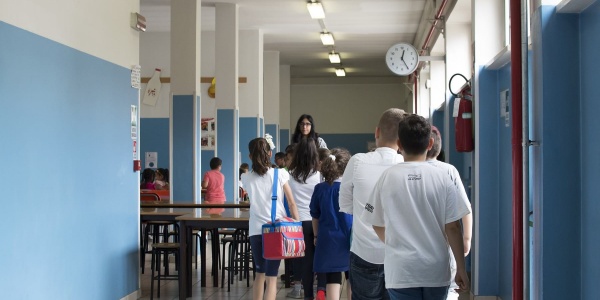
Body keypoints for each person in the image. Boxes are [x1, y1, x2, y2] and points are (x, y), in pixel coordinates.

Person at [362, 114, 471, 300]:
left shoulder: (387, 177)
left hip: (401, 270)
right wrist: (461, 267)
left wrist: (396, 242)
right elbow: (453, 227)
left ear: (399, 145)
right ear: (430, 144)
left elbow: (376, 223)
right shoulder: (443, 177)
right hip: (436, 271)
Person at [338, 108, 406, 300]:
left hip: (363, 252)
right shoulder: (405, 165)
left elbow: (344, 205)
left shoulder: (358, 161)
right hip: (398, 254)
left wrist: (364, 211)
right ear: (401, 140)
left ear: (377, 132)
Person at [242, 138, 300, 300]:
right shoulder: (280, 173)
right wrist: (297, 224)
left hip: (255, 230)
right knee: (272, 278)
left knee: (259, 274)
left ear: (249, 156)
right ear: (270, 153)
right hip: (275, 231)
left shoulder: (246, 177)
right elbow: (291, 202)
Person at [426, 126, 473, 300]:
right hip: (444, 254)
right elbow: (465, 209)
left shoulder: (402, 171)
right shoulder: (447, 170)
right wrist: (466, 239)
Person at [310, 148, 353, 300]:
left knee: (332, 278)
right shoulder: (350, 188)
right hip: (349, 239)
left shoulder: (320, 189)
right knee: (351, 278)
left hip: (327, 239)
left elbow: (315, 216)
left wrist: (316, 235)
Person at [288, 137, 326, 300]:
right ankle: (322, 292)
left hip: (299, 223)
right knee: (322, 259)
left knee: (306, 263)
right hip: (319, 222)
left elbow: (290, 202)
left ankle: (308, 296)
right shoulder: (320, 175)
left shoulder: (290, 174)